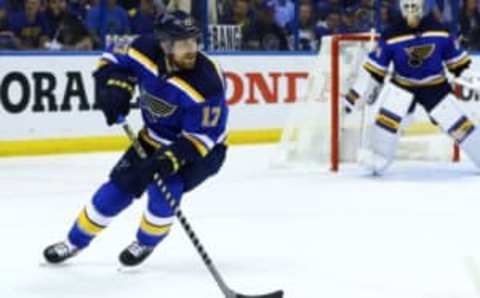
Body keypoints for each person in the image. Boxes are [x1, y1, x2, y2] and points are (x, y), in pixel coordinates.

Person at [43, 11, 229, 267]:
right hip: (152, 138)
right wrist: (115, 87)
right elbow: (110, 60)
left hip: (202, 152)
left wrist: (167, 161)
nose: (191, 49)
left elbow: (204, 137)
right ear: (164, 44)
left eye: (194, 41)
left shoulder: (208, 83)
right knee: (117, 189)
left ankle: (145, 242)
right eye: (183, 43)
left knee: (165, 192)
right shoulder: (143, 48)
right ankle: (74, 242)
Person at [344, 0, 480, 174]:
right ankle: (377, 159)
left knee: (460, 125)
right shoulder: (391, 34)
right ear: (400, 8)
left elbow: (459, 64)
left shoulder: (440, 30)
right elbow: (374, 71)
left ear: (423, 7)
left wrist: (471, 78)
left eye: (414, 7)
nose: (410, 11)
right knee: (385, 126)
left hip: (435, 86)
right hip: (402, 86)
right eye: (406, 7)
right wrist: (356, 95)